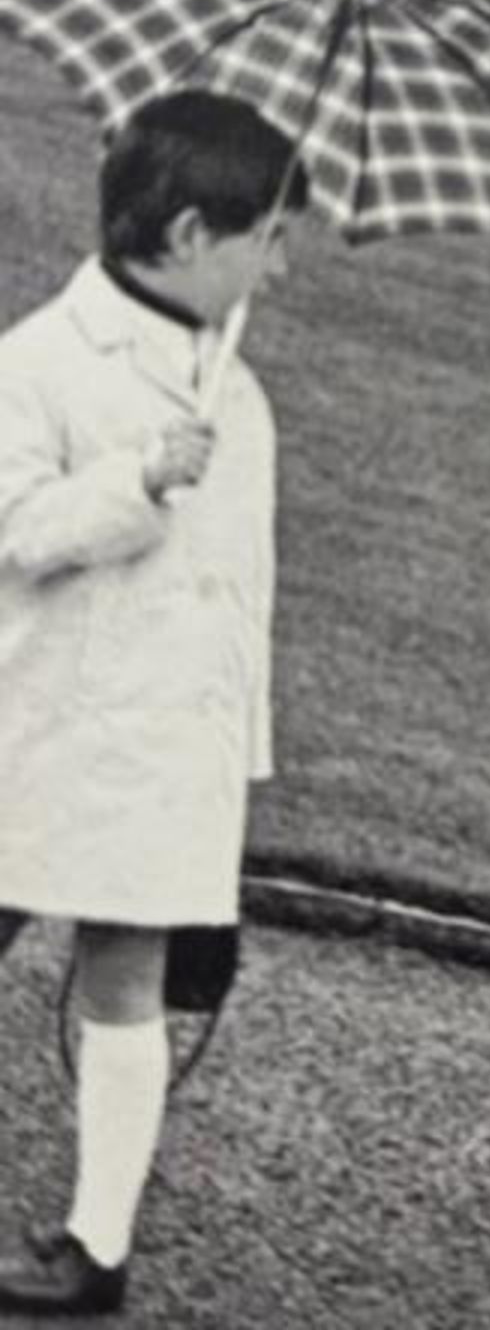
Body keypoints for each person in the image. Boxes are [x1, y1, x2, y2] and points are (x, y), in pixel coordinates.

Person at [0, 89, 307, 1318]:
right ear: (188, 234)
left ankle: (95, 1245)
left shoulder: (243, 400)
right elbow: (19, 531)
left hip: (164, 751)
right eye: (269, 237)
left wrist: (234, 770)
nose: (282, 265)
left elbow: (241, 605)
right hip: (39, 720)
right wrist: (136, 478)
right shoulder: (38, 363)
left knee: (126, 981)